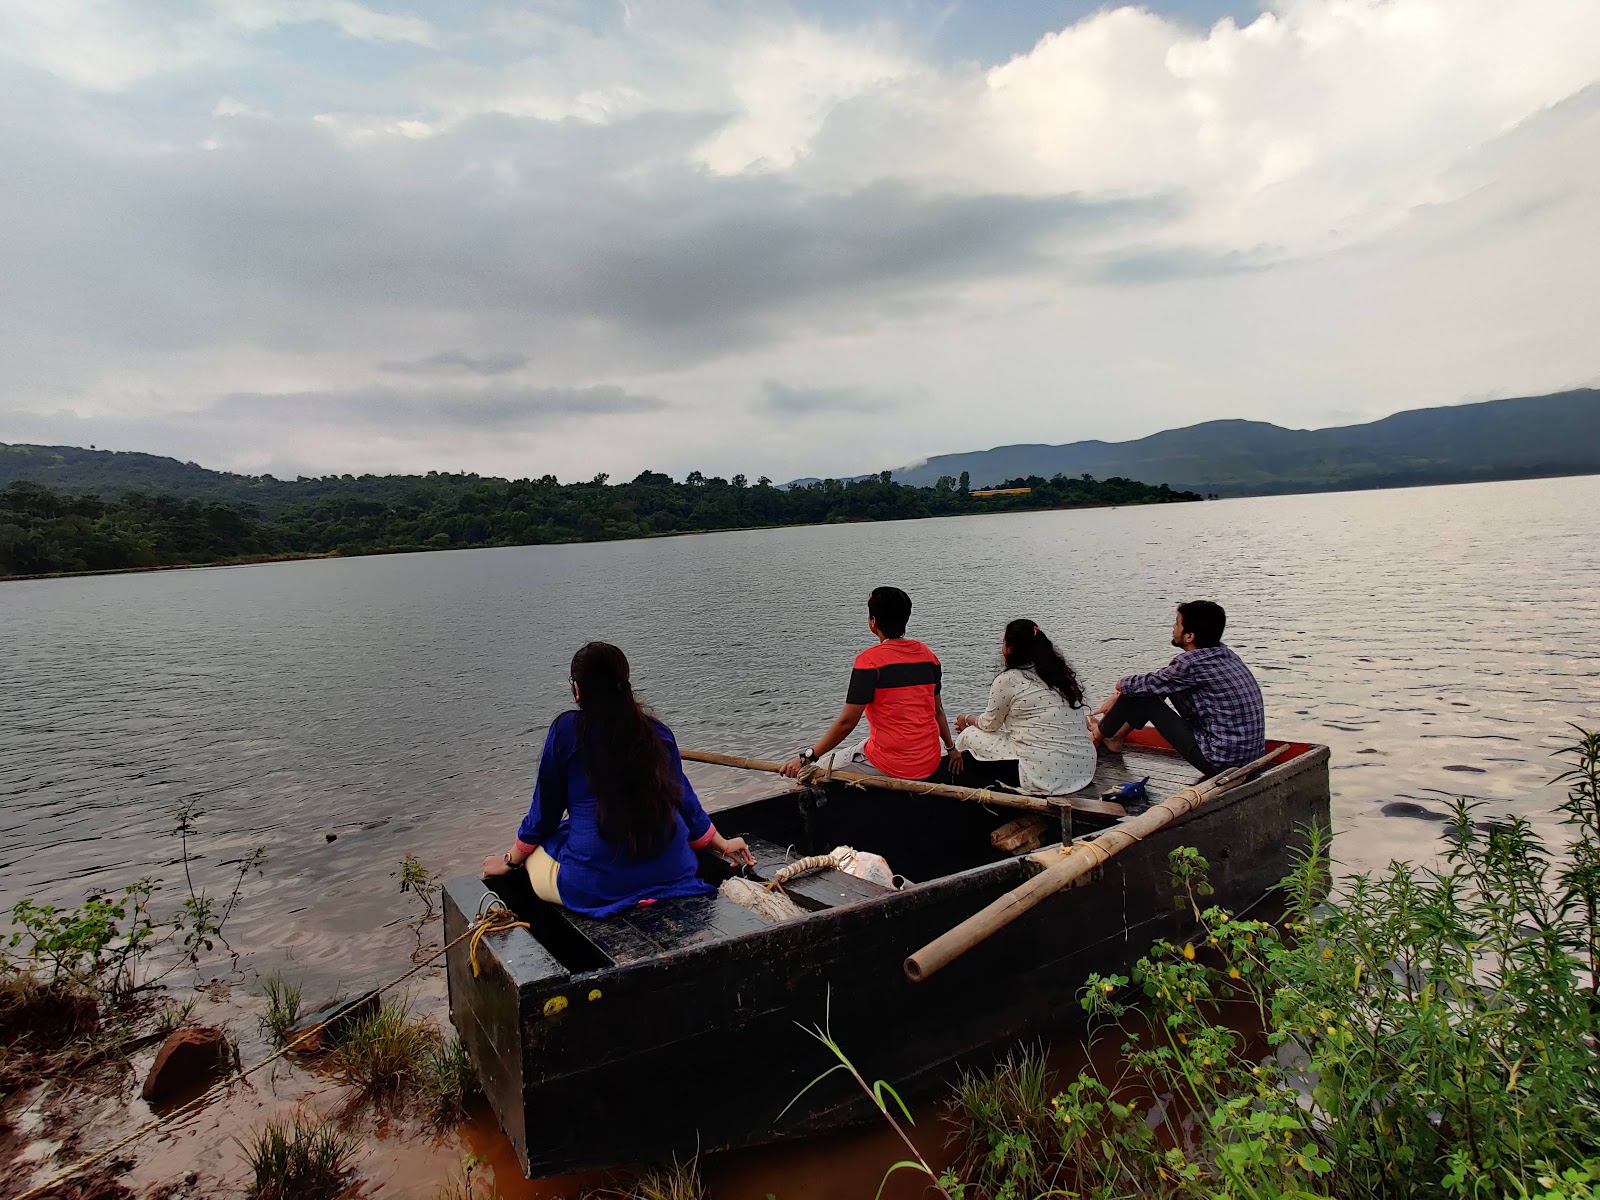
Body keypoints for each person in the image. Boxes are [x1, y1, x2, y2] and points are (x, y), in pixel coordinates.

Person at [481, 641, 753, 917]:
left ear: (578, 689)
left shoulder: (566, 732)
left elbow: (544, 815)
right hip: (674, 872)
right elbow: (685, 801)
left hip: (596, 888)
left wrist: (509, 860)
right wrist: (721, 843)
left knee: (540, 849)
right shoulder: (657, 733)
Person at [780, 586, 960, 781]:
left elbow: (847, 723)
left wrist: (807, 758)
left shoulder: (869, 662)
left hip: (894, 765)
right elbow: (938, 710)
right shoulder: (928, 656)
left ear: (873, 622)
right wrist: (951, 749)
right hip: (929, 759)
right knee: (865, 745)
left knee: (818, 771)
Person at [1087, 600, 1265, 777]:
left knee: (1145, 695)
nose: (1173, 627)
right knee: (1154, 687)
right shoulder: (1225, 654)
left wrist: (1119, 691)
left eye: (1177, 623)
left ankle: (1095, 738)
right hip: (1251, 758)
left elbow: (1131, 685)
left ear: (1189, 636)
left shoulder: (1189, 665)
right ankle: (1116, 738)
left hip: (1220, 763)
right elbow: (1158, 682)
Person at [953, 619, 1097, 795]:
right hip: (1083, 769)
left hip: (1046, 776)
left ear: (1011, 648)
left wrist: (966, 719)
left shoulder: (1008, 679)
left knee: (969, 735)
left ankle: (953, 779)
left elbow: (988, 724)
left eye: (1003, 642)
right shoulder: (1059, 676)